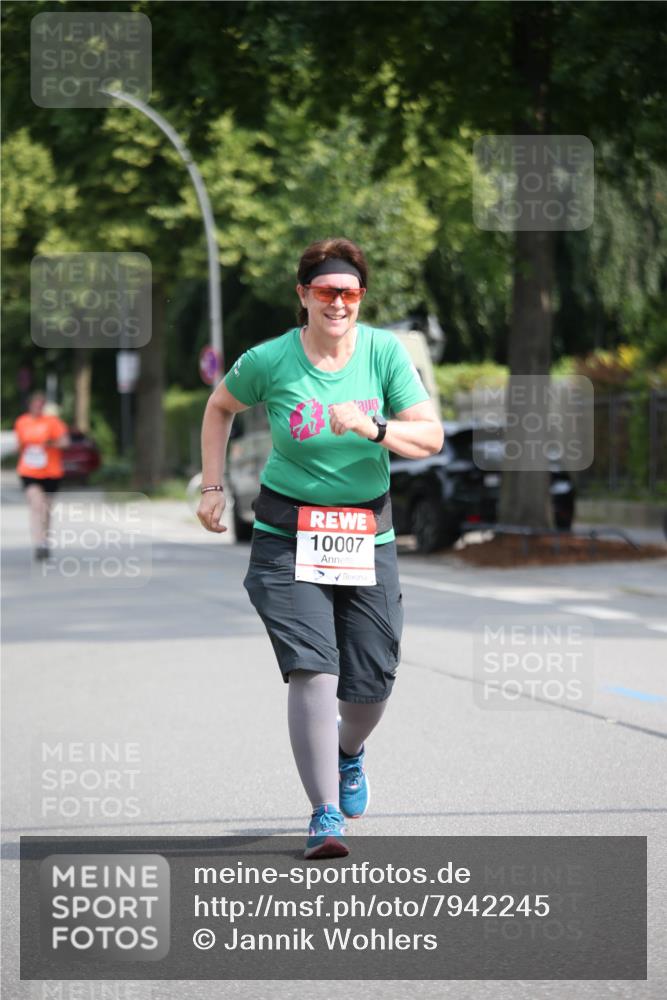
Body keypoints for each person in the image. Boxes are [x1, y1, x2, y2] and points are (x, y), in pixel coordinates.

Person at [197, 237, 443, 859]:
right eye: (327, 292)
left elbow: (431, 436)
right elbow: (220, 405)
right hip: (288, 532)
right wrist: (211, 486)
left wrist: (374, 427)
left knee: (372, 683)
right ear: (303, 296)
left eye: (350, 293)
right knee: (313, 664)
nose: (339, 303)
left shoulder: (384, 353)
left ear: (361, 298)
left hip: (367, 532)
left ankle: (348, 751)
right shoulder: (272, 359)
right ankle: (324, 812)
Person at [14, 392, 69, 560]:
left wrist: (49, 444)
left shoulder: (52, 422)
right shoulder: (21, 422)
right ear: (30, 404)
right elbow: (20, 445)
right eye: (35, 403)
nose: (38, 406)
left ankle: (45, 540)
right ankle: (38, 544)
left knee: (45, 508)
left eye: (41, 404)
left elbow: (65, 443)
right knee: (36, 505)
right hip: (29, 471)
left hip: (51, 471)